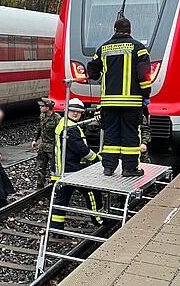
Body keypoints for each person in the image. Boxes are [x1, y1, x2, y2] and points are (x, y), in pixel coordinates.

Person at [87, 17, 152, 177]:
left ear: (114, 30)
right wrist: (145, 95)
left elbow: (92, 70)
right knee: (130, 135)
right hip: (131, 102)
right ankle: (129, 169)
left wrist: (103, 78)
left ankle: (108, 167)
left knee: (111, 134)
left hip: (109, 102)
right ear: (130, 30)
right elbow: (144, 75)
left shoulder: (103, 48)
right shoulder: (139, 48)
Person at [50, 98, 103, 228]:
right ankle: (99, 220)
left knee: (61, 200)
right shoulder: (70, 128)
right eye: (73, 111)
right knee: (92, 192)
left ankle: (56, 226)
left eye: (78, 112)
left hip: (62, 171)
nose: (75, 114)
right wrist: (97, 159)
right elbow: (81, 149)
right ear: (67, 111)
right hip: (72, 171)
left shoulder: (64, 123)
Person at [32, 98, 59, 189]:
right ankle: (40, 185)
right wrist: (35, 140)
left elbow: (59, 133)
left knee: (53, 167)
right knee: (40, 166)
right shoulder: (42, 116)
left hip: (52, 146)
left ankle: (54, 185)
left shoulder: (57, 118)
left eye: (42, 106)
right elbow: (40, 128)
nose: (40, 108)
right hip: (42, 145)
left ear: (48, 108)